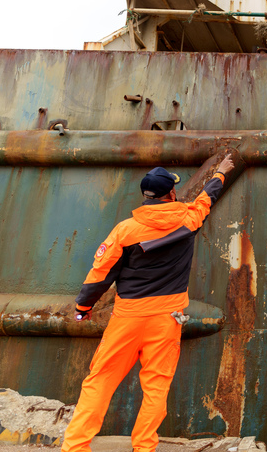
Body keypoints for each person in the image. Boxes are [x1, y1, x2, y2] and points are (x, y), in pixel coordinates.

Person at [61, 154, 235, 452]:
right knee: (156, 386)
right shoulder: (188, 218)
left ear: (146, 196)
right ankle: (144, 447)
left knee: (100, 381)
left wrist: (82, 309)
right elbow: (207, 198)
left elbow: (100, 275)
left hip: (127, 319)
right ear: (171, 193)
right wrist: (220, 172)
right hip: (167, 319)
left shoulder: (125, 230)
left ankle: (75, 447)